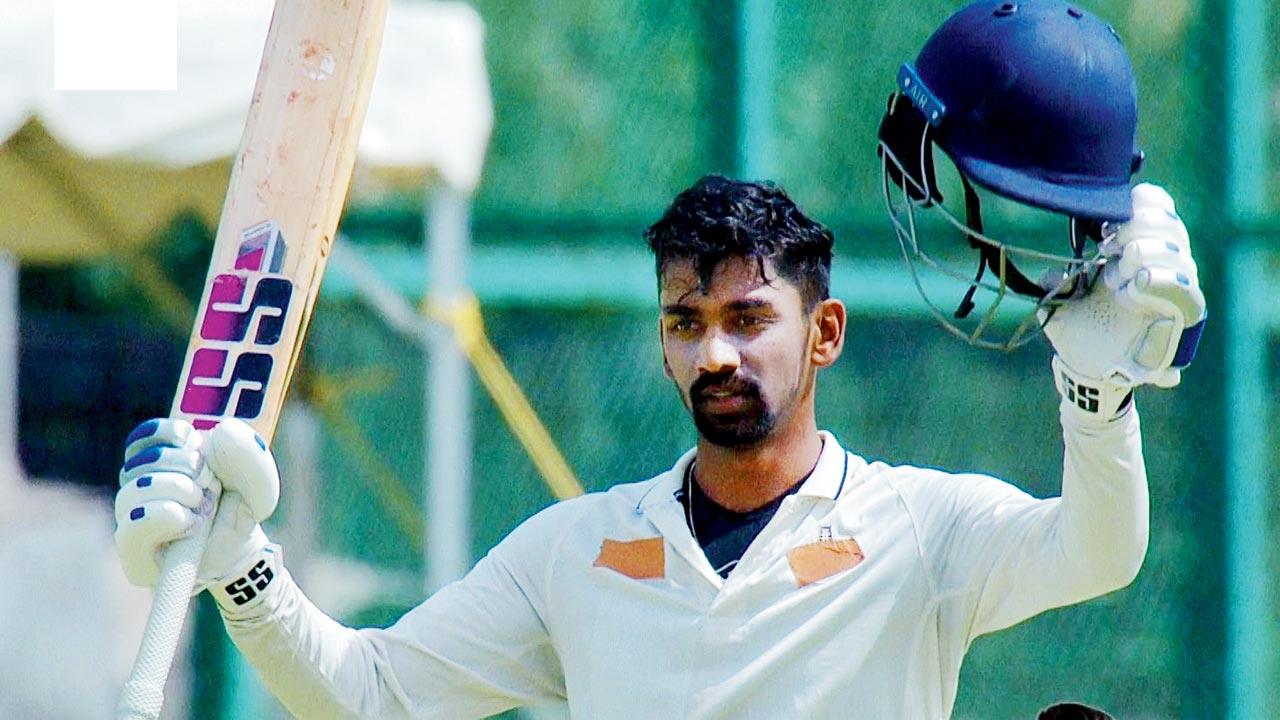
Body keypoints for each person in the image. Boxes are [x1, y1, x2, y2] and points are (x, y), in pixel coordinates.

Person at [114, 2, 1205, 718]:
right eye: (685, 323)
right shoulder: (576, 552)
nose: (714, 351)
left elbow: (1094, 554)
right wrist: (239, 567)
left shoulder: (920, 532)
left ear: (821, 334)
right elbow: (369, 689)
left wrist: (1097, 399)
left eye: (745, 317)